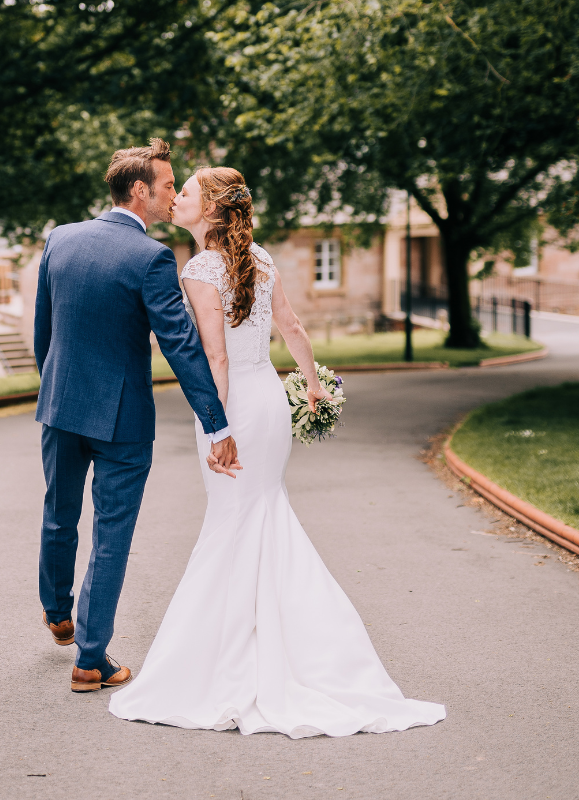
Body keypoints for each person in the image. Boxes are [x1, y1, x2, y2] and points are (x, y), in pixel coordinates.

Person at [108, 166, 447, 737]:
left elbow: (214, 359)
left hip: (234, 405)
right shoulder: (259, 258)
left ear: (211, 209)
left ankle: (227, 667)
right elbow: (290, 326)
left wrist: (217, 429)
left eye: (186, 193)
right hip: (268, 400)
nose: (177, 199)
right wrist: (312, 384)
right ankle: (292, 651)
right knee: (262, 517)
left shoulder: (198, 269)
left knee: (233, 523)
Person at [33, 140, 240, 693]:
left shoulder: (60, 240)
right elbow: (182, 346)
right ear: (141, 190)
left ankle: (57, 612)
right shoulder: (150, 258)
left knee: (59, 512)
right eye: (170, 185)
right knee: (111, 534)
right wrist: (216, 422)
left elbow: (43, 333)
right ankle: (90, 658)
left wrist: (55, 386)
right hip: (122, 420)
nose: (175, 194)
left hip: (60, 404)